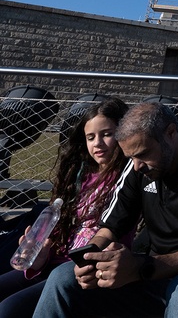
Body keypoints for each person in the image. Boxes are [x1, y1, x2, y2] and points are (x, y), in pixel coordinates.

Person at [32, 103, 178, 318]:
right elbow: (112, 225)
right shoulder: (137, 164)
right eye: (130, 158)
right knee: (63, 276)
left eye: (143, 154)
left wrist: (138, 268)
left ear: (171, 133)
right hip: (156, 270)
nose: (136, 166)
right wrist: (89, 258)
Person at [0, 98, 130, 318]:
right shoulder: (79, 176)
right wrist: (41, 253)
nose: (97, 143)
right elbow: (60, 227)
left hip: (82, 271)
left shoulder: (129, 178)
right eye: (90, 137)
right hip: (51, 262)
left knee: (8, 309)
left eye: (106, 134)